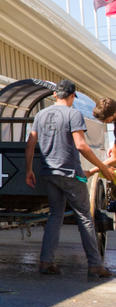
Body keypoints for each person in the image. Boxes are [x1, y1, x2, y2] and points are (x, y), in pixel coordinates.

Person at [24, 79, 114, 280]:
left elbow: (30, 143)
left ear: (55, 95)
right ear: (72, 96)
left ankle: (46, 261)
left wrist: (29, 170)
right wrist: (101, 167)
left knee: (55, 215)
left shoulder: (40, 115)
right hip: (70, 174)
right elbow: (81, 146)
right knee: (84, 217)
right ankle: (94, 265)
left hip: (48, 173)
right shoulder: (73, 114)